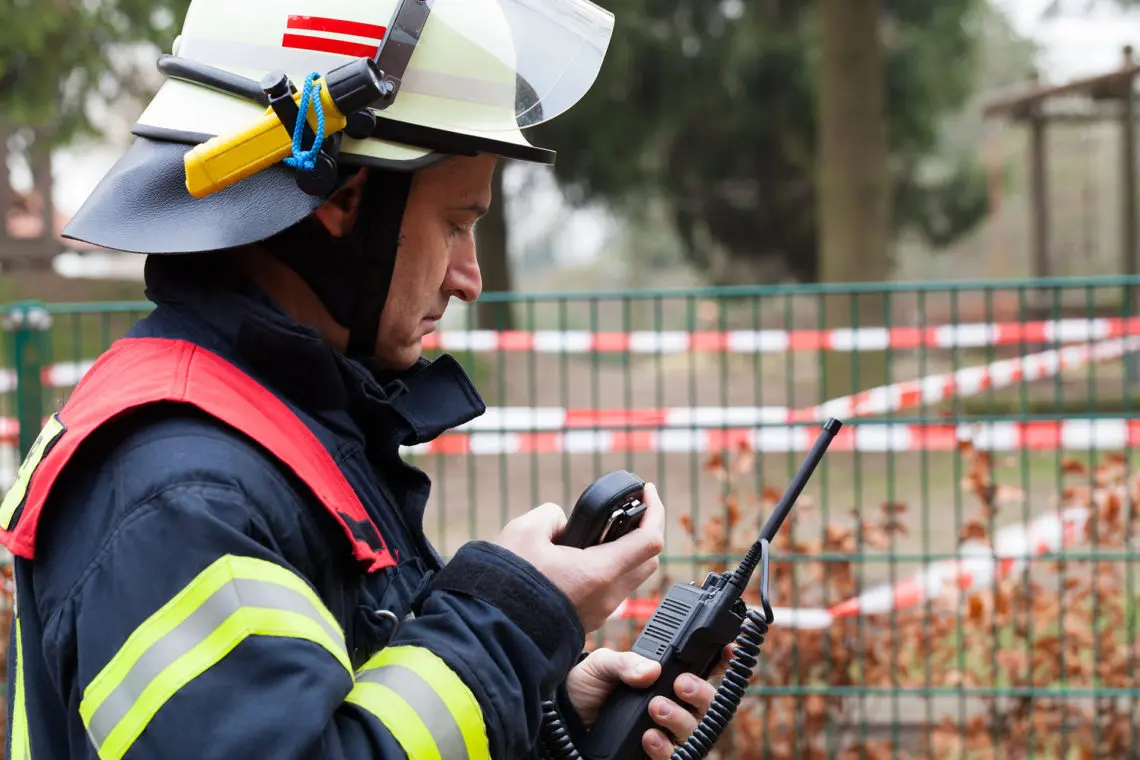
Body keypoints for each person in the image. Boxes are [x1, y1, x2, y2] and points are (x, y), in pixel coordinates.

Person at [0, 1, 730, 758]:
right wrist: (510, 619)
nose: (469, 277)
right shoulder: (178, 492)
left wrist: (554, 727)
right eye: (456, 224)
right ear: (345, 203)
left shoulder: (280, 435)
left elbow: (362, 710)